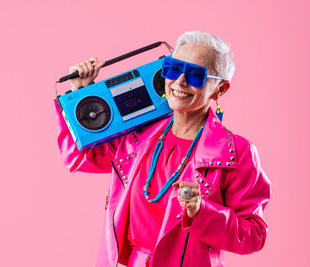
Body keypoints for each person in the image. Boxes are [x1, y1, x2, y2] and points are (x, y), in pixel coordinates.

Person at [55, 31, 271, 267]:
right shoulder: (138, 134)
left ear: (220, 90)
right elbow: (79, 157)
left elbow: (254, 235)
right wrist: (79, 95)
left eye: (196, 75)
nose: (179, 81)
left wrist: (202, 212)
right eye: (173, 67)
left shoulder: (235, 152)